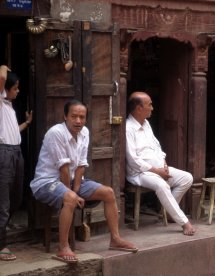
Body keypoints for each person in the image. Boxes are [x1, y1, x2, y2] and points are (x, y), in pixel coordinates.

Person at [30, 99, 137, 264]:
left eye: (82, 117)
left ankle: (115, 239)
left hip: (72, 179)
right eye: (74, 116)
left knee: (108, 193)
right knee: (70, 198)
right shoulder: (56, 133)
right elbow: (63, 168)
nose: (78, 121)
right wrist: (72, 193)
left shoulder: (85, 132)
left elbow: (80, 165)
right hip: (46, 182)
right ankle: (63, 247)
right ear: (65, 116)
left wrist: (77, 188)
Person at [125, 91, 196, 236]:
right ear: (139, 108)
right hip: (141, 173)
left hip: (159, 170)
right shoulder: (128, 128)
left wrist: (163, 165)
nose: (152, 108)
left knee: (187, 177)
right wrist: (157, 172)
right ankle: (184, 222)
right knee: (162, 185)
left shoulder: (146, 124)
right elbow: (133, 160)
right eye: (149, 105)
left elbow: (157, 147)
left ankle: (170, 212)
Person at [0, 65, 33, 261]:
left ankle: (2, 229)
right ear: (6, 89)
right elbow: (2, 77)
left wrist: (27, 123)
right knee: (3, 202)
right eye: (16, 88)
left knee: (17, 197)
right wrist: (3, 66)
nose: (18, 91)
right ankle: (2, 245)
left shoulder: (9, 107)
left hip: (15, 152)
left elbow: (12, 132)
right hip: (3, 154)